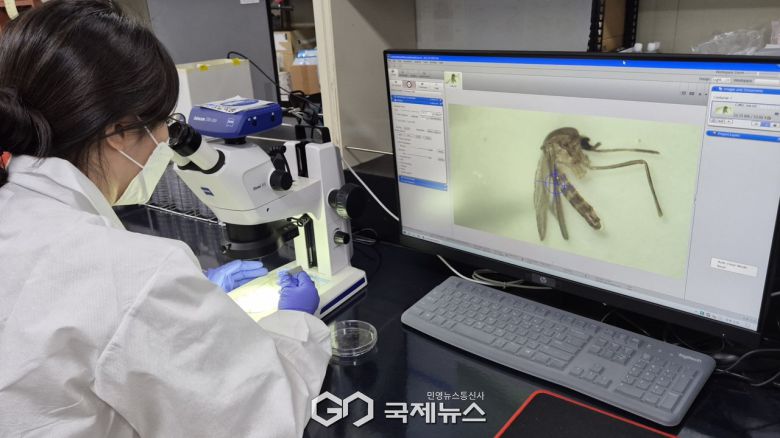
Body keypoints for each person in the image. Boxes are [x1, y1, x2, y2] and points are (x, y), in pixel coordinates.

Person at [0, 1, 329, 436]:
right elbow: (263, 418)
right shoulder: (133, 273)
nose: (162, 139)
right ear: (117, 131)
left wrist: (181, 305)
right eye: (162, 121)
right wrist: (298, 325)